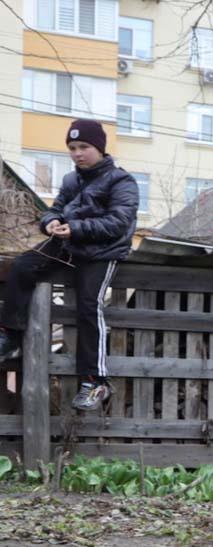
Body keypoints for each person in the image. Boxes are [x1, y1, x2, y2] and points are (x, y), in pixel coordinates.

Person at [0, 119, 138, 412]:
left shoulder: (121, 181)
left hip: (103, 251)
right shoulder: (71, 180)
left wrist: (74, 227)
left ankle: (95, 381)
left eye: (84, 147)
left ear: (99, 148)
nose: (77, 153)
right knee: (22, 266)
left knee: (89, 306)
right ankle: (10, 335)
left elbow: (119, 222)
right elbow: (54, 209)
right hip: (68, 244)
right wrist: (49, 221)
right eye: (72, 148)